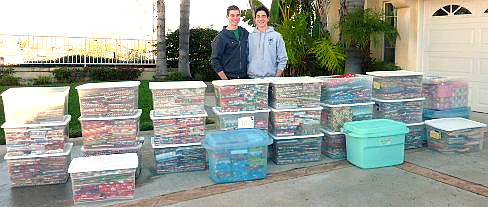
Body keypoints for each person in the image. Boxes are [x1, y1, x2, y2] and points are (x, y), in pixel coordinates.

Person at [247, 6, 288, 78]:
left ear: (268, 18)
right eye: (258, 16)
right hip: (251, 78)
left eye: (263, 16)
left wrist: (276, 77)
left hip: (271, 78)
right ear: (255, 19)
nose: (261, 19)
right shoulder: (249, 37)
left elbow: (283, 58)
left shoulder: (276, 36)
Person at [211, 5, 249, 80]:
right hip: (229, 78)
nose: (235, 18)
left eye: (238, 15)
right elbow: (214, 60)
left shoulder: (244, 33)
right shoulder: (221, 37)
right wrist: (225, 80)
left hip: (245, 78)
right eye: (232, 15)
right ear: (227, 17)